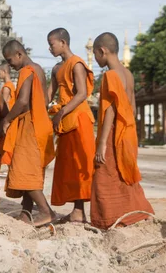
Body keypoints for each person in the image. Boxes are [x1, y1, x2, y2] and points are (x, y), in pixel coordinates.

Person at [90, 32, 154, 230]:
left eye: (95, 55)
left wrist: (101, 142)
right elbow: (132, 108)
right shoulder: (128, 74)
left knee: (104, 175)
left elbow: (110, 109)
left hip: (113, 134)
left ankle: (111, 220)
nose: (95, 59)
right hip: (127, 132)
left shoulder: (110, 75)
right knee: (125, 173)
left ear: (103, 51)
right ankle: (133, 214)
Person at [0, 40, 56, 226]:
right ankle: (26, 212)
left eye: (10, 60)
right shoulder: (38, 69)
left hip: (30, 125)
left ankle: (45, 211)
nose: (10, 65)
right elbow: (45, 100)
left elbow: (23, 101)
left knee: (23, 170)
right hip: (41, 125)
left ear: (19, 54)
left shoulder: (26, 70)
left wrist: (7, 119)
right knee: (30, 170)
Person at [47, 28, 96, 223]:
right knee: (67, 165)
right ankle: (77, 211)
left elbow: (82, 94)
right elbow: (49, 94)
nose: (50, 48)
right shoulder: (56, 69)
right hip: (65, 121)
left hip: (78, 119)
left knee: (81, 164)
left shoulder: (77, 64)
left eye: (52, 44)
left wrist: (61, 112)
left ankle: (79, 211)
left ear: (63, 43)